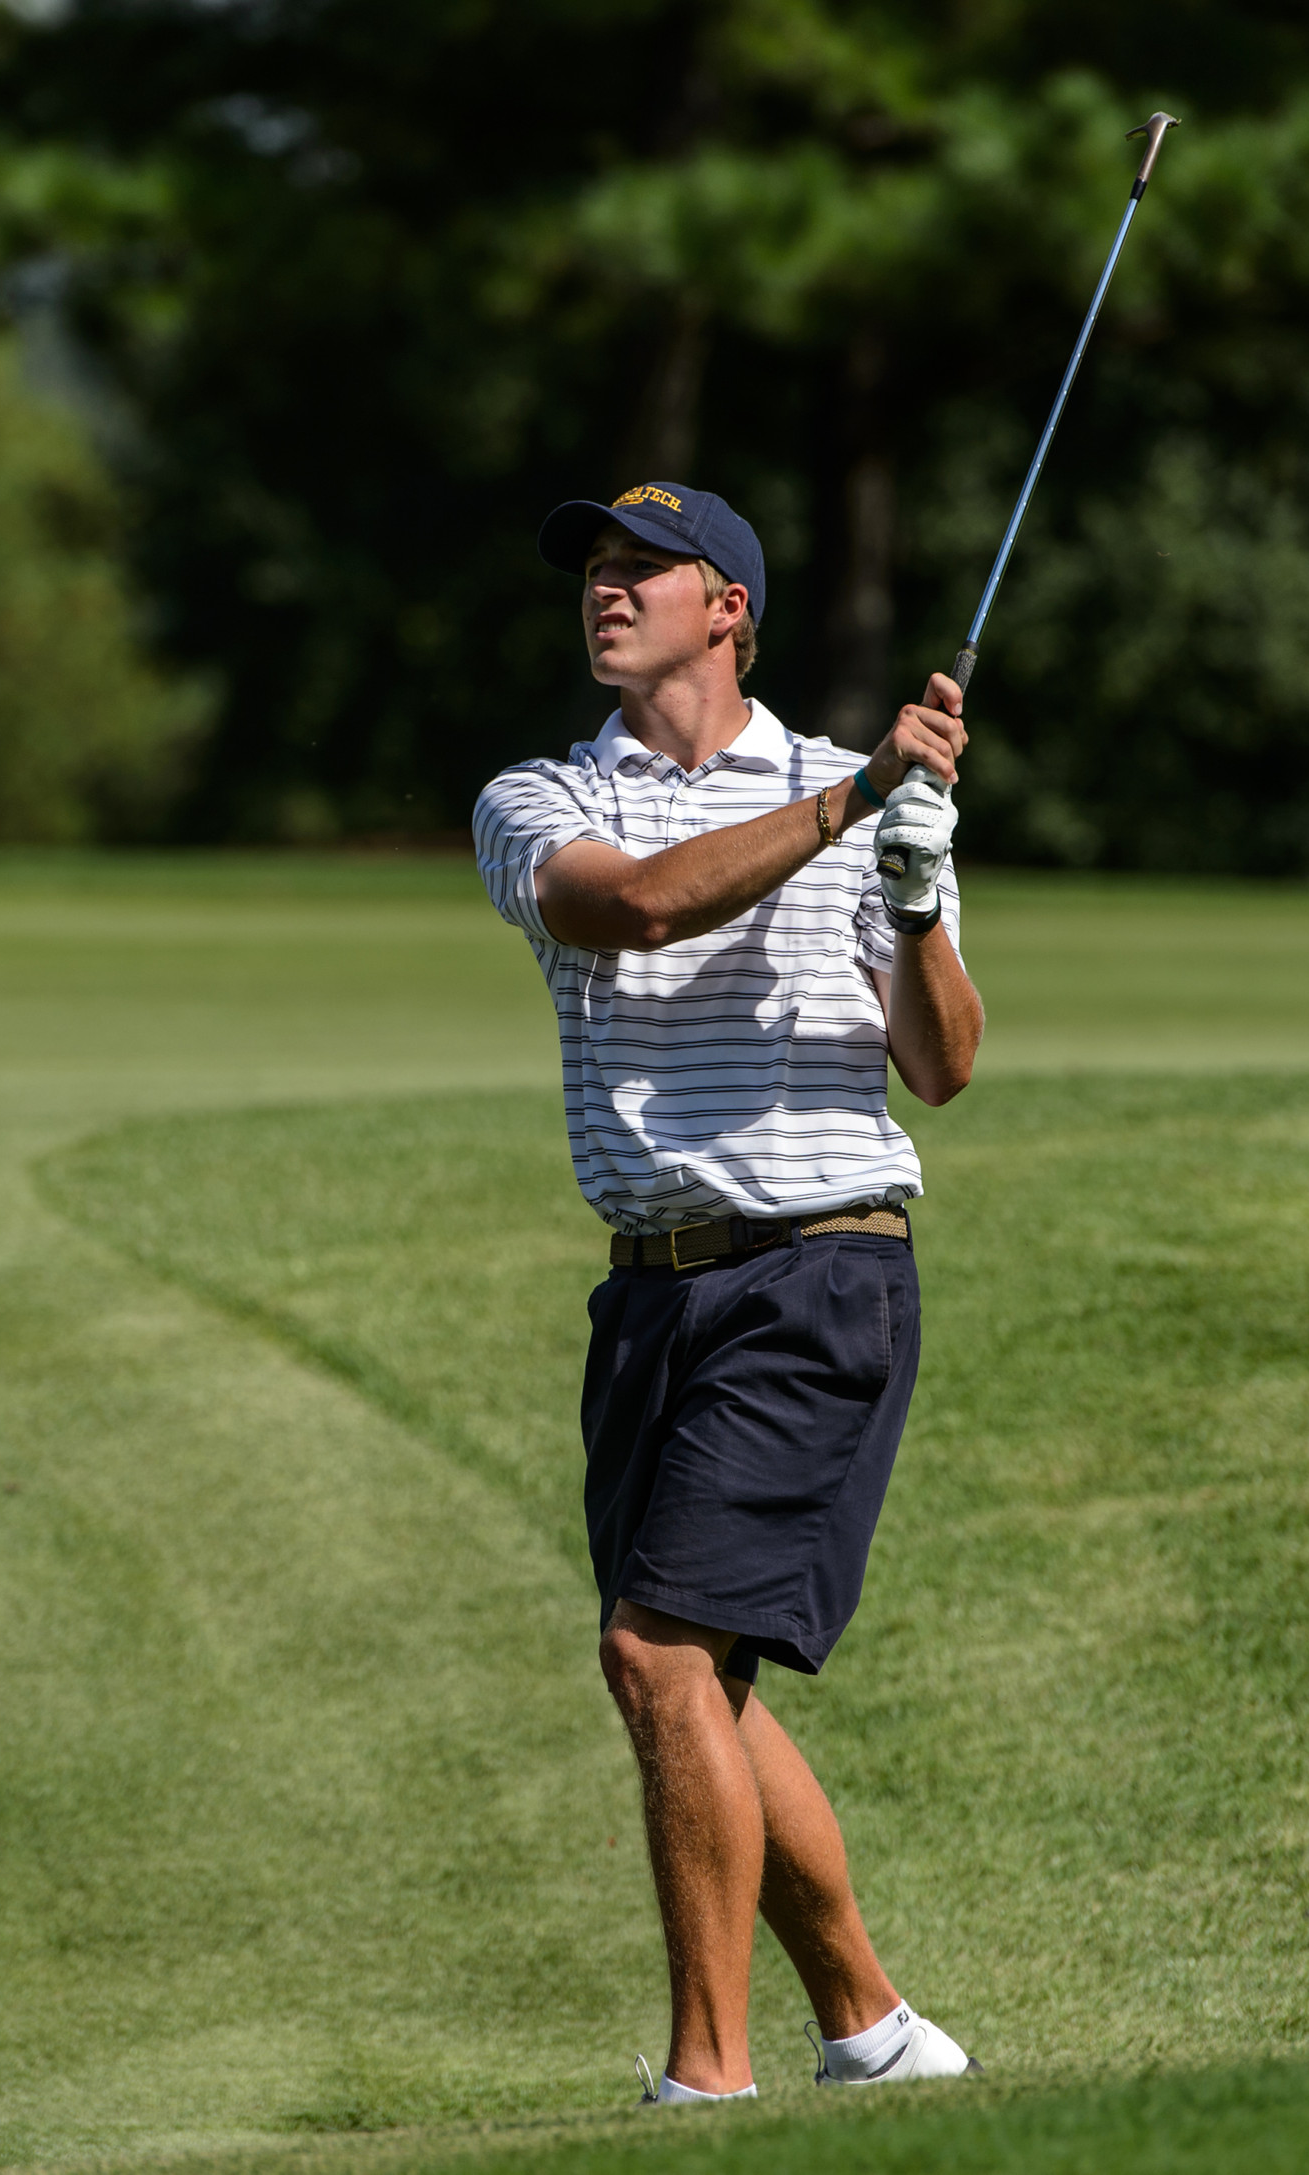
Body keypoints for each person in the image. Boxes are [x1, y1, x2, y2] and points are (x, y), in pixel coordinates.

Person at [471, 481, 985, 2103]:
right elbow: (633, 909)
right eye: (593, 574)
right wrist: (860, 812)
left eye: (644, 572)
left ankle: (707, 2083)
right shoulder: (540, 796)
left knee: (657, 1658)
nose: (606, 593)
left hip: (824, 1267)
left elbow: (943, 1064)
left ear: (729, 610)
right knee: (699, 1679)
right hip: (648, 1293)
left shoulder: (854, 789)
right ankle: (877, 2030)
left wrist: (911, 891)